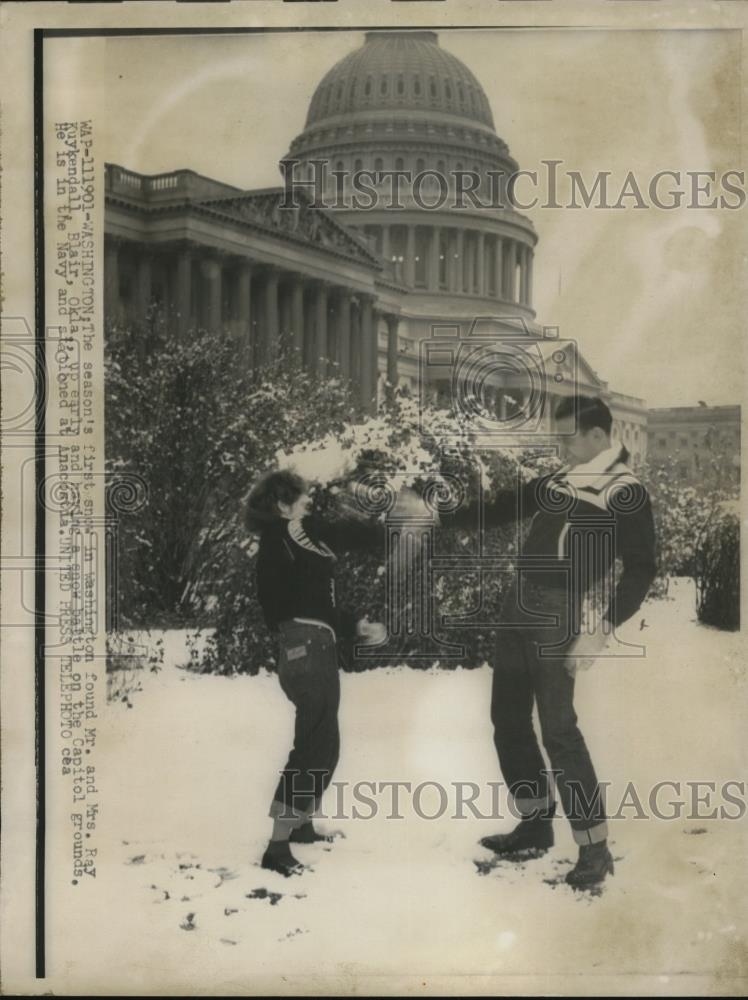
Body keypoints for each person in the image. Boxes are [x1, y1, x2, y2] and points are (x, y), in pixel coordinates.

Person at [442, 395, 657, 887]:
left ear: (598, 437)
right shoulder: (562, 479)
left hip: (557, 612)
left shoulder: (625, 489)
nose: (560, 447)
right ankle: (536, 824)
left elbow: (641, 568)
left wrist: (600, 630)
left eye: (567, 438)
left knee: (559, 731)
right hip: (518, 603)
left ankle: (594, 848)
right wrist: (438, 516)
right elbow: (505, 506)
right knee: (508, 718)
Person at [246, 469, 386, 877]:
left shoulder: (289, 543)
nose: (309, 503)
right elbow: (294, 603)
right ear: (283, 504)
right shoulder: (287, 536)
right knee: (314, 746)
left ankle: (301, 824)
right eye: (302, 498)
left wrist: (354, 625)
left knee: (325, 744)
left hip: (313, 647)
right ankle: (277, 846)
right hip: (305, 649)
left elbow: (311, 600)